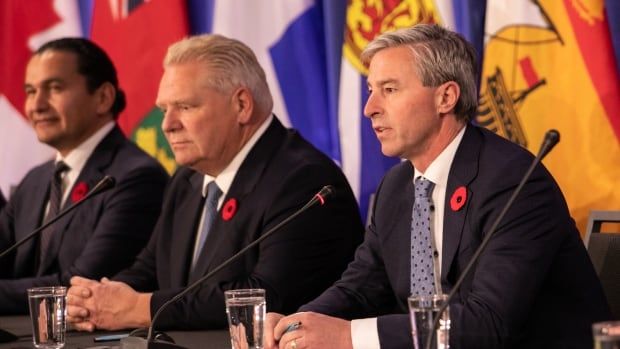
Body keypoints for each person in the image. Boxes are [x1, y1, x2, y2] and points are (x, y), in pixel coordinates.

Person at [265, 24, 611, 349]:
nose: (369, 109)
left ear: (445, 97)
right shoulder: (397, 186)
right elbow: (362, 288)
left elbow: (489, 322)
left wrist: (348, 335)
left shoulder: (514, 183)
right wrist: (297, 324)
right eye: (371, 91)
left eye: (389, 90)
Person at [66, 34, 364, 331]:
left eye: (185, 107)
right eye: (163, 109)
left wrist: (142, 308)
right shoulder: (187, 179)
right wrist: (97, 300)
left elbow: (265, 295)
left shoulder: (303, 180)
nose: (167, 125)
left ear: (242, 105)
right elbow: (149, 268)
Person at [0, 38, 168, 314]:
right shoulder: (35, 180)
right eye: (30, 91)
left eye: (54, 88)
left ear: (103, 98)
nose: (36, 105)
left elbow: (81, 286)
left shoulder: (137, 177)